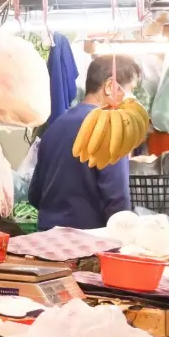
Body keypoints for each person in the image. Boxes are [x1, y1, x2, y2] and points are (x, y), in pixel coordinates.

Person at [28, 55, 141, 230]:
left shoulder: (55, 127)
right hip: (88, 244)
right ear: (110, 86)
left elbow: (34, 195)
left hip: (47, 239)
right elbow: (117, 202)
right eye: (130, 90)